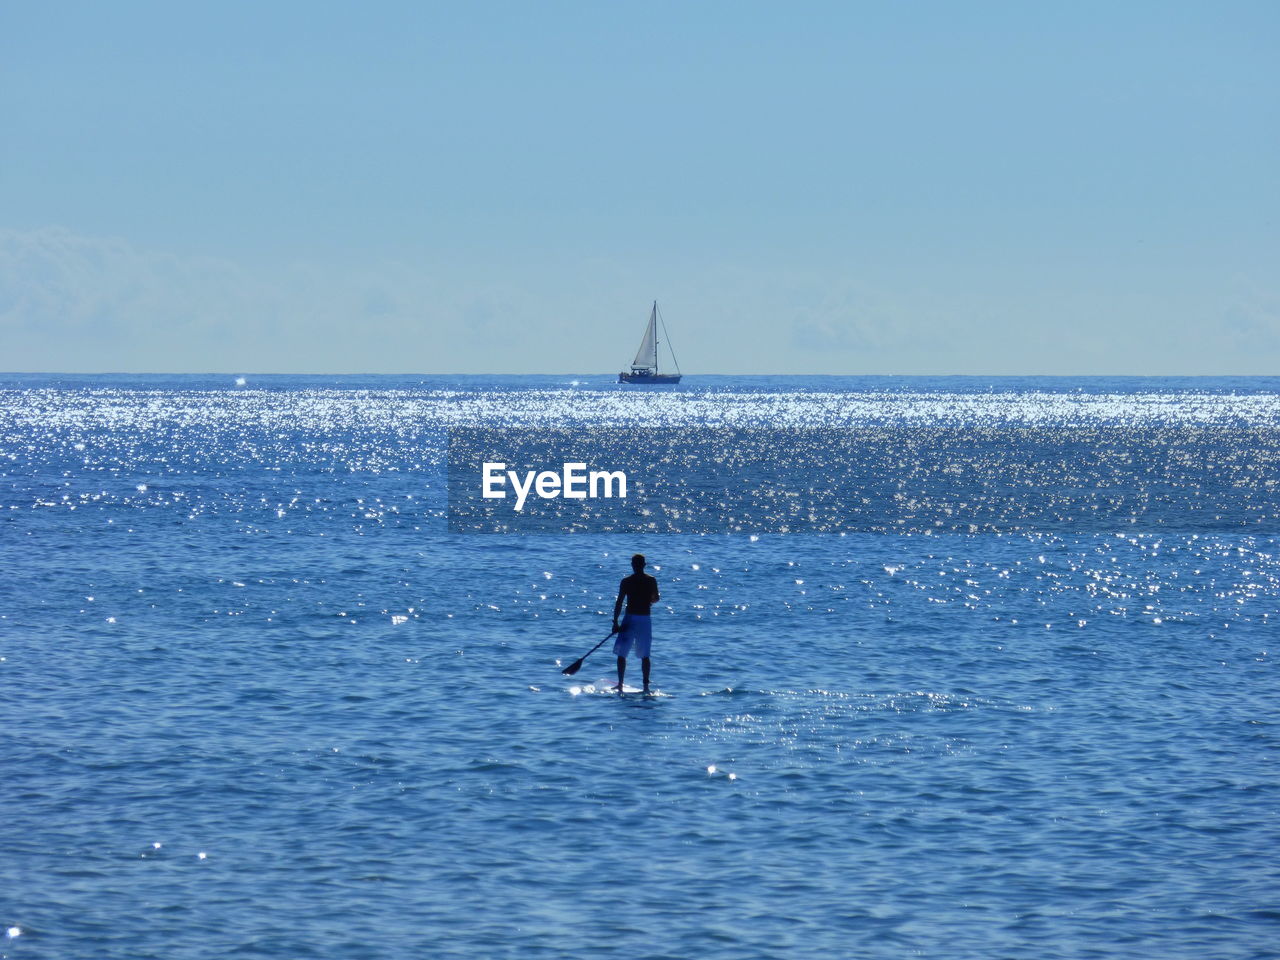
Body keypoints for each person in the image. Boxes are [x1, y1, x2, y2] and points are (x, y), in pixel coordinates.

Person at [612, 553, 659, 693]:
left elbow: (619, 602)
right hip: (644, 619)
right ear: (644, 565)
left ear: (633, 565)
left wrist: (615, 622)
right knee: (645, 654)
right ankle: (645, 686)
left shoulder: (626, 581)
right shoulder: (651, 580)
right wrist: (648, 601)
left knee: (622, 653)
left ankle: (620, 684)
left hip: (630, 618)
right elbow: (656, 598)